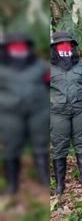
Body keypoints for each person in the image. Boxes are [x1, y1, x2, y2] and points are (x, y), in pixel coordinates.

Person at [0, 33, 49, 194]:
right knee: (12, 147)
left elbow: (50, 82)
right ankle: (12, 184)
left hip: (38, 111)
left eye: (22, 46)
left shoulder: (40, 65)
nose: (18, 50)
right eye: (15, 46)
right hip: (10, 113)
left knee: (41, 145)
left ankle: (44, 179)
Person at [50, 31, 82, 195]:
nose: (64, 48)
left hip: (80, 110)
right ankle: (60, 185)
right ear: (54, 48)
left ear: (73, 47)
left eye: (68, 44)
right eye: (60, 45)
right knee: (59, 147)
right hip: (57, 112)